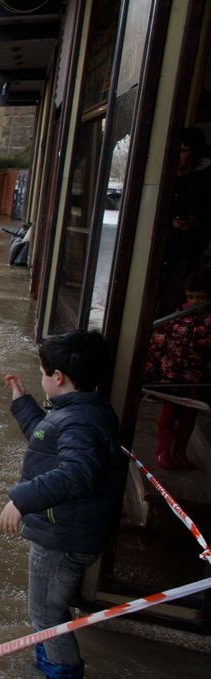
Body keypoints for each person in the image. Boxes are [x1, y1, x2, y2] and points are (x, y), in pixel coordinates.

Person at [0, 330, 124, 679]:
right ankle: (48, 668)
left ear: (57, 377)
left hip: (61, 538)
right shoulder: (84, 411)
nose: (41, 378)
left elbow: (76, 471)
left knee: (47, 615)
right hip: (71, 531)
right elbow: (46, 438)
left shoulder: (78, 421)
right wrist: (23, 402)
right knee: (51, 608)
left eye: (41, 372)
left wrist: (21, 499)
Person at [144, 266, 211, 470]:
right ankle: (163, 452)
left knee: (189, 418)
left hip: (198, 380)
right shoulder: (177, 317)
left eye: (201, 297)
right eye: (191, 297)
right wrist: (151, 371)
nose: (195, 302)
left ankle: (180, 451)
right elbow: (158, 344)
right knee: (169, 415)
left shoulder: (208, 322)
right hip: (172, 378)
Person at [159, 127, 211, 313]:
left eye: (183, 150)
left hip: (187, 254)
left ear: (194, 153)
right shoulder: (162, 179)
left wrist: (195, 223)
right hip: (159, 251)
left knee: (173, 301)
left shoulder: (203, 183)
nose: (177, 156)